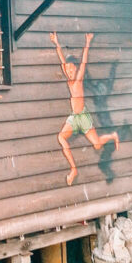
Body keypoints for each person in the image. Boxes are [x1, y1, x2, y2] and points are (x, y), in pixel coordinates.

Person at [51, 31, 119, 186]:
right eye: (67, 69)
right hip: (74, 118)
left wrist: (87, 42)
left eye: (71, 69)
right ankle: (73, 170)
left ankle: (112, 136)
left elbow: (84, 62)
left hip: (83, 117)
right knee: (61, 137)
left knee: (97, 144)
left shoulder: (78, 79)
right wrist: (57, 43)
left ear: (75, 69)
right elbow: (62, 60)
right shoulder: (68, 79)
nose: (69, 71)